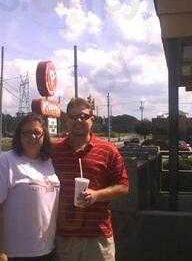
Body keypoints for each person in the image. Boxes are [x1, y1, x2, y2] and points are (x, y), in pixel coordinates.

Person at [51, 97, 129, 261]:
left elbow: (123, 186)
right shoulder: (54, 151)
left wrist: (97, 195)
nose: (78, 120)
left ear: (92, 120)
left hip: (98, 237)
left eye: (84, 116)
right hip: (65, 237)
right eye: (73, 117)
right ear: (66, 120)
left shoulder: (108, 150)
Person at [0, 113, 60, 261]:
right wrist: (0, 251)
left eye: (37, 132)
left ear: (44, 136)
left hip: (46, 249)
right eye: (27, 133)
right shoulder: (6, 162)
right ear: (19, 136)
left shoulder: (48, 162)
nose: (32, 137)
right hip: (14, 253)